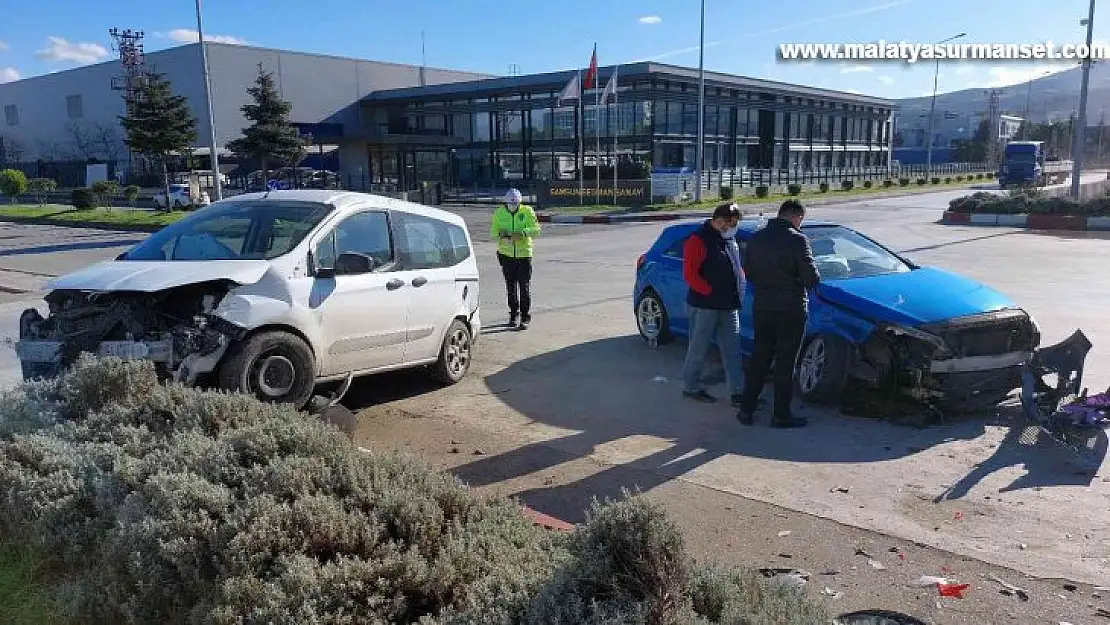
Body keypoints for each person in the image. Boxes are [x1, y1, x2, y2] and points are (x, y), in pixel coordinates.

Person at [736, 199, 820, 428]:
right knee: (786, 362)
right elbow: (811, 278)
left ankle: (746, 410)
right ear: (797, 217)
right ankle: (780, 415)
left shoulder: (757, 238)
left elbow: (749, 272)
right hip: (790, 309)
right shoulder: (797, 240)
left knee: (759, 358)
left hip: (762, 306)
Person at [681, 202, 745, 406]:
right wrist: (710, 292)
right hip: (704, 306)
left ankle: (737, 392)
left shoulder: (727, 240)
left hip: (728, 305)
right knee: (698, 349)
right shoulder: (698, 240)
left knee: (733, 350)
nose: (733, 227)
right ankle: (691, 387)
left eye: (735, 224)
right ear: (718, 221)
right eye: (730, 223)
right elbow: (690, 274)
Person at [490, 188, 541, 330]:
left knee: (524, 287)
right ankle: (513, 314)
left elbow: (536, 229)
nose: (513, 207)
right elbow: (493, 233)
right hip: (506, 255)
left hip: (524, 255)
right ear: (505, 203)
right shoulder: (499, 213)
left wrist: (523, 233)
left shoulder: (527, 211)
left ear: (520, 203)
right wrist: (502, 234)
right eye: (510, 204)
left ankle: (525, 316)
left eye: (516, 204)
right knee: (510, 287)